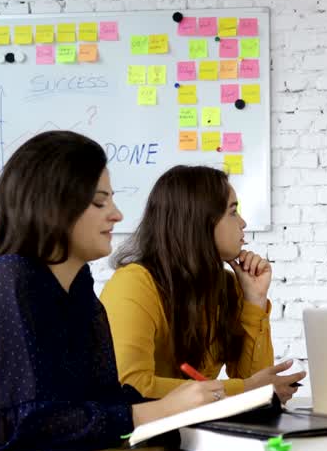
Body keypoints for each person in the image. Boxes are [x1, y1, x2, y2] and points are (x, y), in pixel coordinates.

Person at [0, 132, 223, 451]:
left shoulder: (79, 287)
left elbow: (102, 400)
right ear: (53, 207)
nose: (117, 215)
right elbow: (12, 426)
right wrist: (150, 413)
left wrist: (181, 409)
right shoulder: (6, 280)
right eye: (99, 203)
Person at [101, 166, 303, 401]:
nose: (243, 223)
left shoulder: (226, 285)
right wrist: (245, 390)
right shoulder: (134, 283)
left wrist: (254, 300)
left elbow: (255, 385)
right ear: (199, 221)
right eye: (233, 212)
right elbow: (130, 387)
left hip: (203, 424)